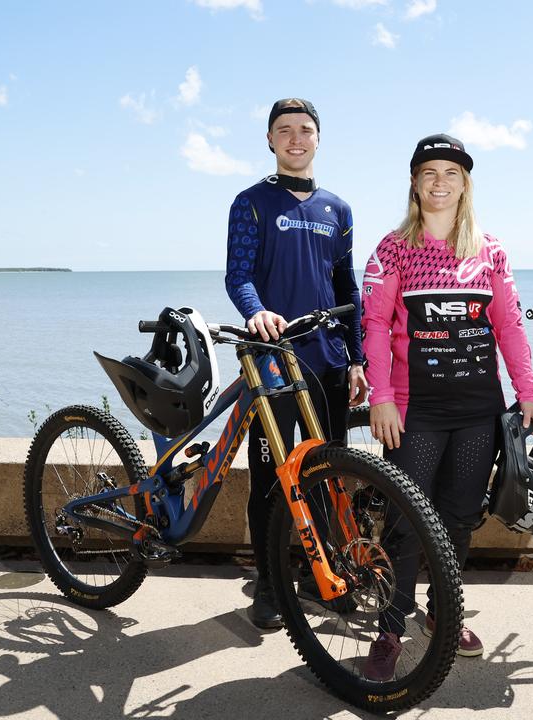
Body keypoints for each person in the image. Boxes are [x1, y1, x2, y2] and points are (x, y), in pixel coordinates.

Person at [359, 133, 533, 680]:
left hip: (477, 412)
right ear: (414, 183)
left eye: (451, 173)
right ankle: (391, 625)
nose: (440, 183)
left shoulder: (490, 251)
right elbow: (373, 325)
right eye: (429, 173)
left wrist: (526, 391)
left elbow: (508, 325)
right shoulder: (393, 248)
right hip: (415, 411)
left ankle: (443, 614)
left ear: (466, 184)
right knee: (405, 521)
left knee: (459, 518)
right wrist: (380, 397)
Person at [224, 98, 369, 629]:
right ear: (269, 141)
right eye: (283, 131)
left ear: (317, 138)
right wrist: (256, 311)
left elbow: (347, 288)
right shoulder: (251, 203)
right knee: (270, 478)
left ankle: (320, 570)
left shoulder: (339, 209)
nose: (295, 138)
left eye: (304, 130)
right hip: (272, 363)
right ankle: (268, 581)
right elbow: (236, 275)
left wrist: (357, 358)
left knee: (331, 472)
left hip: (327, 361)